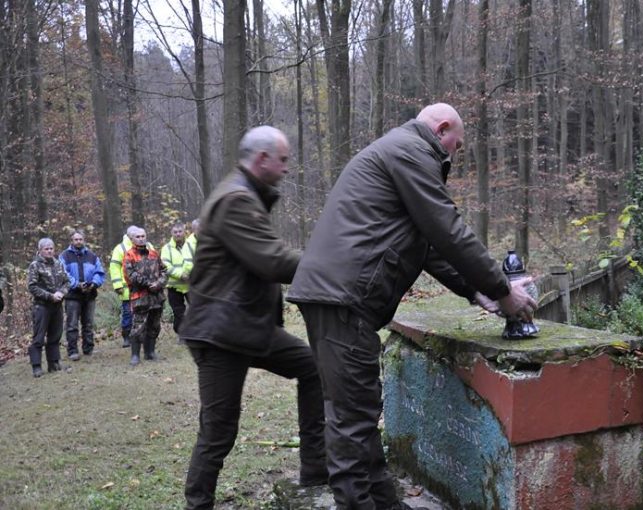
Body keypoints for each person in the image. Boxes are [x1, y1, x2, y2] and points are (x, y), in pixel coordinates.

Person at [286, 103, 538, 509]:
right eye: (456, 146)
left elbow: (430, 248)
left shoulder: (399, 151)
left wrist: (477, 292)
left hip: (337, 296)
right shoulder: (409, 151)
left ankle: (385, 501)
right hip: (343, 297)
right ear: (441, 129)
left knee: (358, 406)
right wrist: (504, 290)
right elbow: (447, 229)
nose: (455, 155)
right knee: (351, 418)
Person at [180, 126, 326, 510]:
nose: (287, 169)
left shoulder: (244, 194)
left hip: (245, 328)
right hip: (220, 334)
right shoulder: (236, 200)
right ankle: (198, 505)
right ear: (262, 159)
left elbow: (266, 257)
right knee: (218, 431)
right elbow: (273, 260)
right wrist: (330, 260)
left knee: (312, 367)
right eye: (283, 160)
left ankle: (315, 471)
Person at [27, 238, 70, 378]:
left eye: (51, 248)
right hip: (42, 306)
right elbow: (32, 287)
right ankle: (36, 366)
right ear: (40, 250)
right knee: (39, 337)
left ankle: (54, 363)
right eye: (46, 249)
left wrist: (61, 293)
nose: (49, 251)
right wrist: (49, 296)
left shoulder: (58, 264)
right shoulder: (35, 265)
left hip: (57, 306)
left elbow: (67, 282)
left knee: (55, 335)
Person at [123, 227, 167, 366]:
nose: (141, 238)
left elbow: (164, 270)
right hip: (140, 296)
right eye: (138, 236)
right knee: (138, 327)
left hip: (156, 296)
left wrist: (159, 283)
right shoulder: (129, 255)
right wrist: (149, 284)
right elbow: (130, 276)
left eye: (143, 236)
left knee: (154, 325)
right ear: (132, 239)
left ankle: (150, 352)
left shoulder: (154, 253)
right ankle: (135, 355)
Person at [59, 230, 105, 360]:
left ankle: (88, 348)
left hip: (90, 294)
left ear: (84, 240)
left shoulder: (92, 255)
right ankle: (72, 350)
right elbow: (63, 274)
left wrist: (94, 283)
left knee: (88, 323)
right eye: (76, 239)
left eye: (80, 239)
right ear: (71, 241)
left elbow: (99, 272)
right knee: (72, 324)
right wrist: (77, 284)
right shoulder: (64, 256)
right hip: (72, 295)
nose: (78, 241)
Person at [109, 226, 140, 348]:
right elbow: (114, 268)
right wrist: (117, 285)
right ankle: (126, 336)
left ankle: (140, 336)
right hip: (127, 289)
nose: (136, 238)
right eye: (134, 236)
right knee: (128, 314)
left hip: (143, 289)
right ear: (129, 235)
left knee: (142, 313)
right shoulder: (120, 248)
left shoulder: (146, 246)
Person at [161, 223, 190, 333]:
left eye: (180, 231)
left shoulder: (191, 245)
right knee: (178, 311)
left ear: (184, 232)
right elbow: (165, 266)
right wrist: (181, 274)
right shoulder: (166, 248)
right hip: (174, 286)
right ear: (171, 233)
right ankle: (181, 333)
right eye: (175, 232)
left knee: (197, 309)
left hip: (191, 284)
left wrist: (190, 274)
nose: (178, 234)